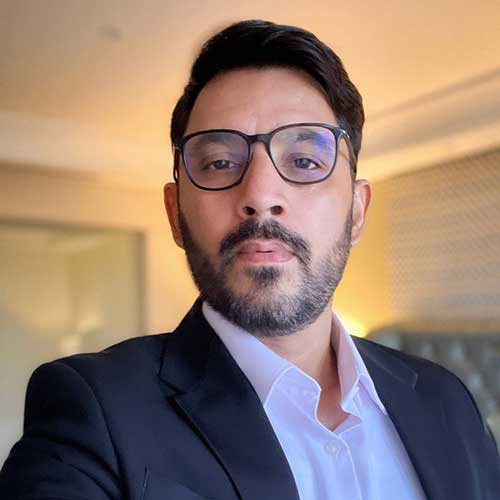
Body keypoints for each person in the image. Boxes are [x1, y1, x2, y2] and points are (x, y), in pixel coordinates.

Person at [1, 19, 499, 500]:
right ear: (175, 214)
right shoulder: (92, 410)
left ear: (356, 212)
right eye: (220, 163)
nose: (260, 195)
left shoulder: (447, 398)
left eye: (304, 160)